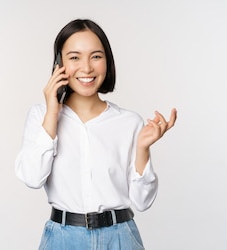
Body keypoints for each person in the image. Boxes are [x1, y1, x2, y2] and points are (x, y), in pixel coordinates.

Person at [15, 19, 177, 250]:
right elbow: (32, 177)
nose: (87, 67)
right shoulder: (40, 115)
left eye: (96, 56)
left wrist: (142, 149)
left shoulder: (129, 122)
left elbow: (143, 201)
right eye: (74, 57)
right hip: (62, 239)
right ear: (59, 64)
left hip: (120, 237)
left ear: (107, 61)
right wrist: (52, 113)